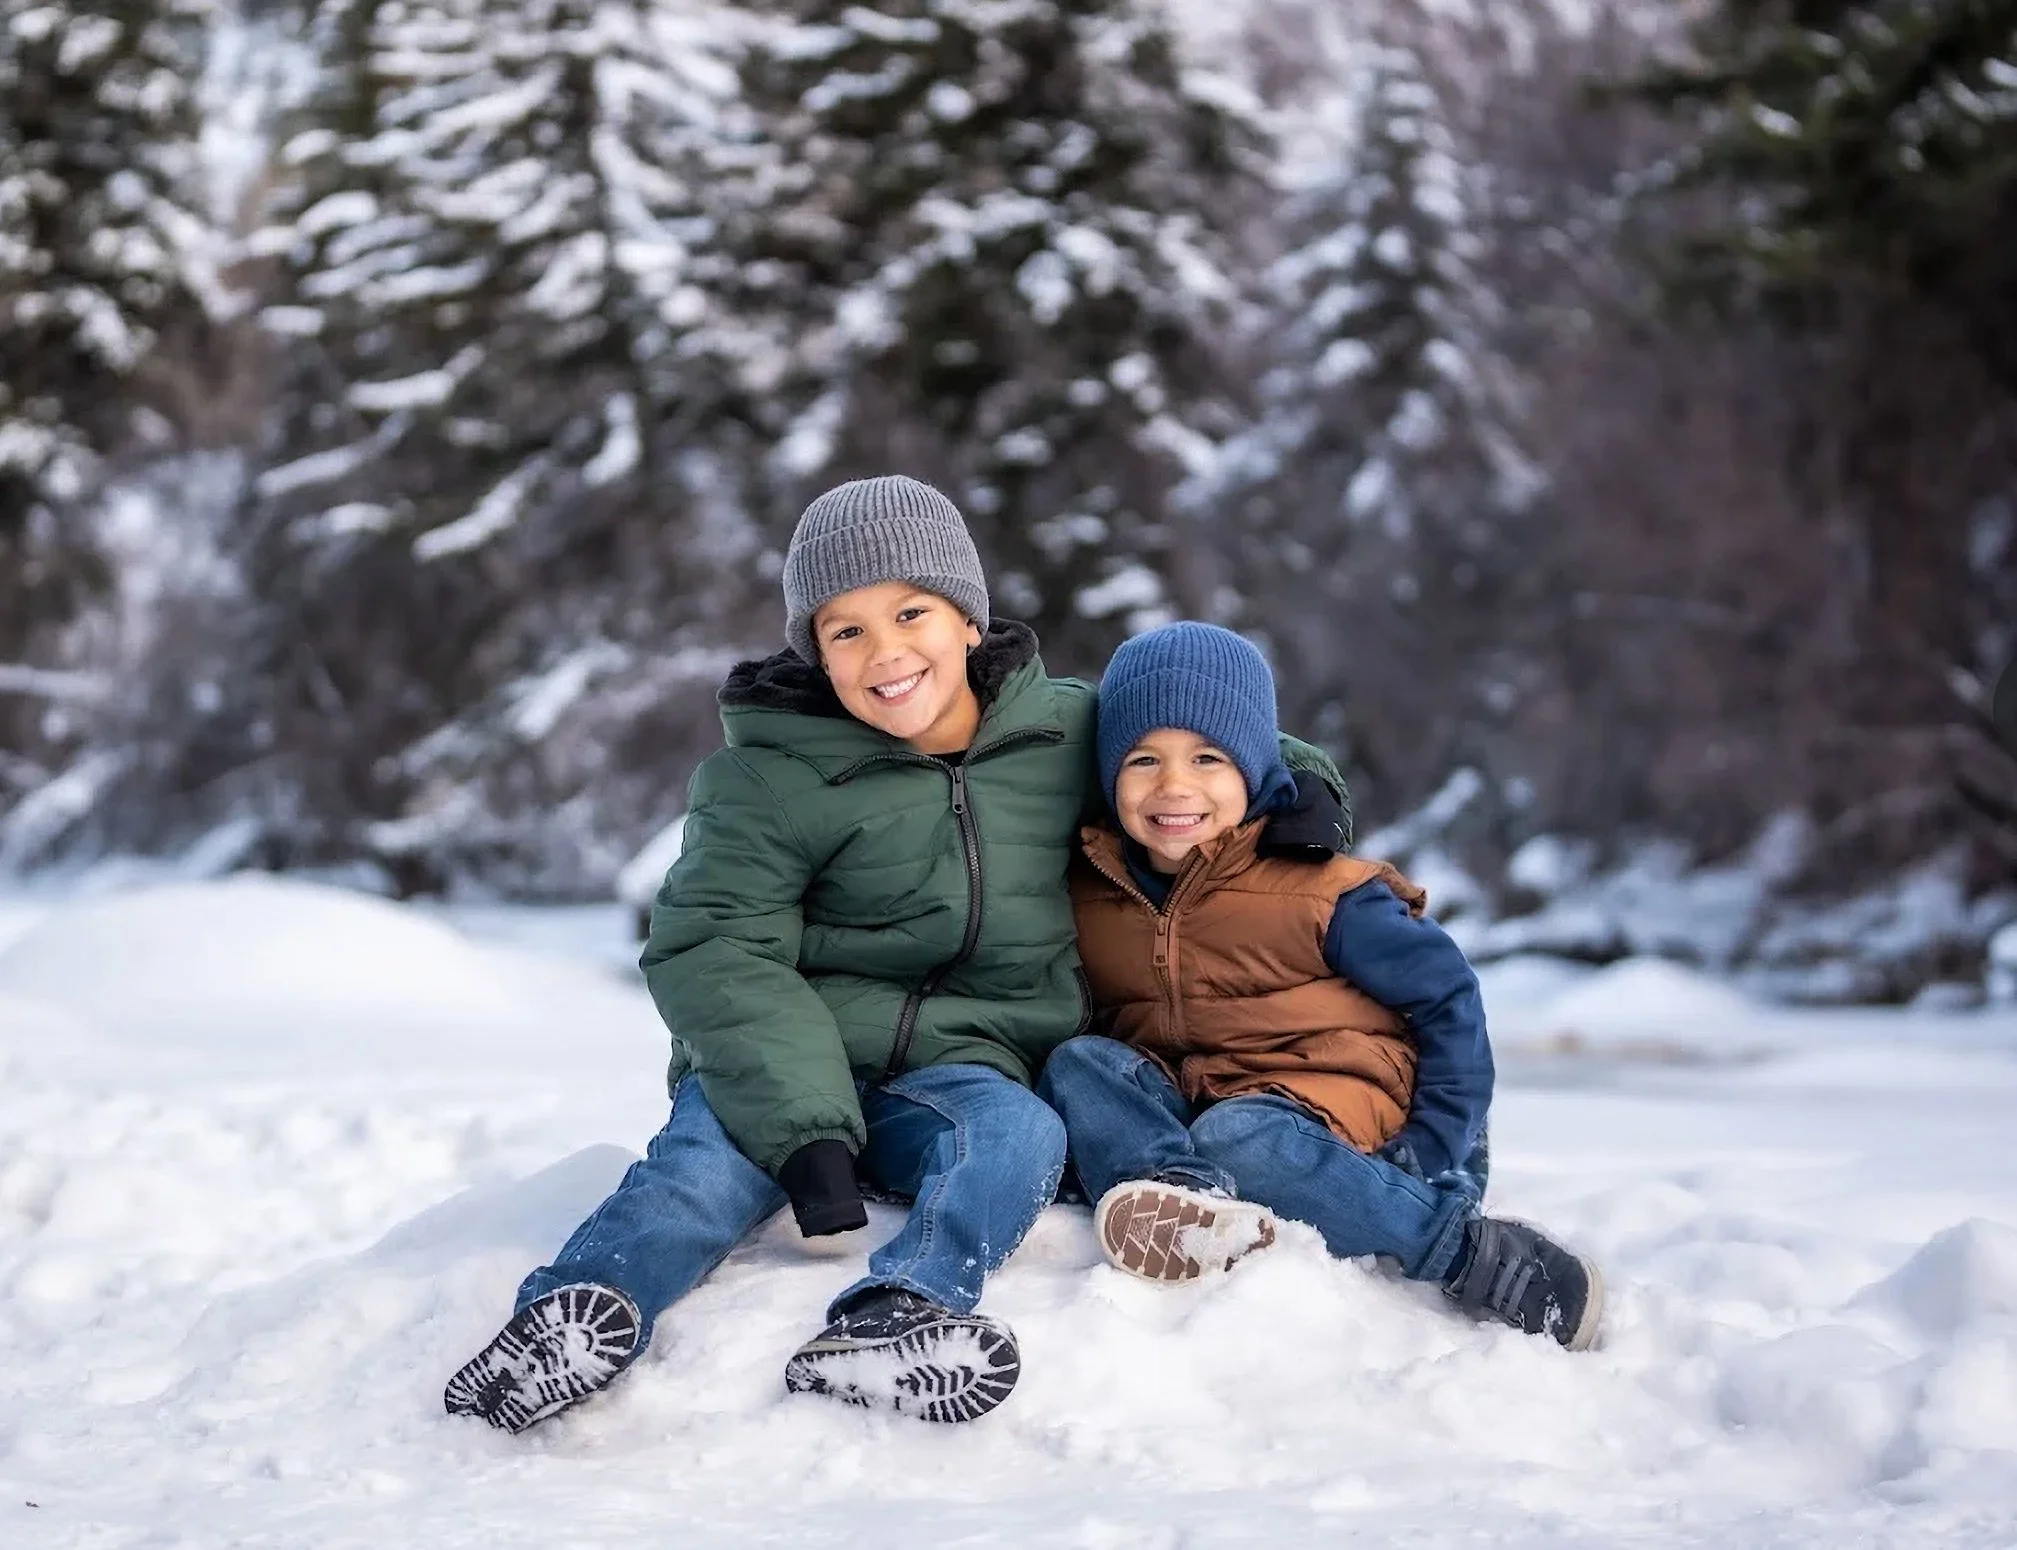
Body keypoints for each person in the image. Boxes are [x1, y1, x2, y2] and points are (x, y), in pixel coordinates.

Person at [444, 480, 1349, 1433]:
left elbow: (1215, 736)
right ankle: (574, 1319)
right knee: (699, 1175)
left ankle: (895, 1317)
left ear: (967, 619)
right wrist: (805, 1132)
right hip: (784, 1063)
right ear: (816, 654)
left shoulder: (1064, 736)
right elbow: (716, 945)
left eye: (910, 612)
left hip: (965, 1069)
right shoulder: (767, 775)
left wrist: (1300, 793)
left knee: (1018, 1139)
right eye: (845, 632)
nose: (885, 654)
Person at [1037, 622, 1604, 1351]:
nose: (1173, 786)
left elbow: (1448, 999)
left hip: (1336, 1098)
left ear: (1252, 765)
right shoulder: (1093, 893)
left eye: (1206, 758)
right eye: (1142, 760)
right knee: (1081, 1064)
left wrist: (1439, 1145)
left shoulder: (1322, 892)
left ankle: (1466, 1254)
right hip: (1195, 1102)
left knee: (1242, 1134)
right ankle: (1185, 1202)